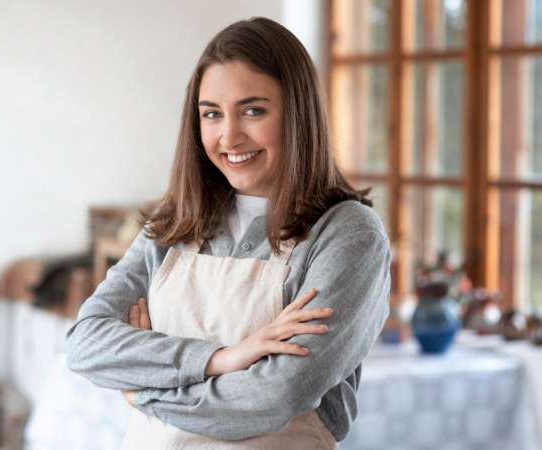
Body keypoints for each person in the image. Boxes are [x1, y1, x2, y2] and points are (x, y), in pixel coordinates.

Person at [65, 16, 391, 449]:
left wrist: (144, 390)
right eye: (212, 114)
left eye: (253, 110)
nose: (229, 136)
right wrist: (221, 359)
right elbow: (86, 344)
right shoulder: (175, 220)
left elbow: (276, 395)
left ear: (299, 113)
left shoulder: (348, 234)